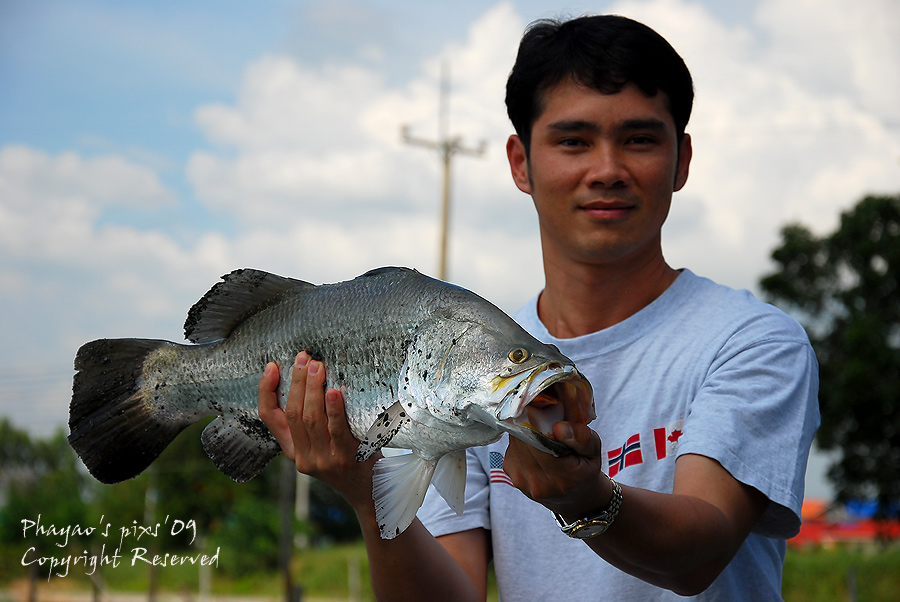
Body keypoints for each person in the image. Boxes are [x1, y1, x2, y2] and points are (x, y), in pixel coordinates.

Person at [257, 14, 819, 601]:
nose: (607, 170)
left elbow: (697, 554)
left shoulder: (753, 342)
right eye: (573, 140)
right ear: (521, 162)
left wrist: (586, 499)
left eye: (640, 139)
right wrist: (365, 493)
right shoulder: (465, 365)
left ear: (681, 161)